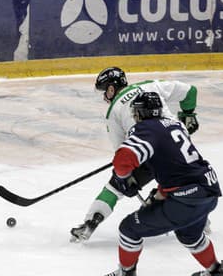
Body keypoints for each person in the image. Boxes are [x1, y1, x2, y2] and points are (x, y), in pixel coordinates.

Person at [96, 91, 223, 276]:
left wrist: (123, 180)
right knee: (190, 235)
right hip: (209, 190)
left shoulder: (145, 129)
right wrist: (161, 192)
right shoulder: (175, 124)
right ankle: (217, 272)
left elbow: (122, 161)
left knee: (129, 229)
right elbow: (177, 165)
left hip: (186, 199)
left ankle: (126, 275)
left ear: (140, 113)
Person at [70, 67, 200, 242]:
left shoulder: (113, 111)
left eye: (104, 91)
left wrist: (125, 178)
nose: (104, 97)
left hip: (146, 155)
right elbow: (190, 91)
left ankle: (90, 223)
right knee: (185, 183)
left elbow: (122, 155)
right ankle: (199, 220)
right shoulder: (149, 86)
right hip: (178, 148)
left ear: (111, 89)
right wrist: (188, 114)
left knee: (115, 187)